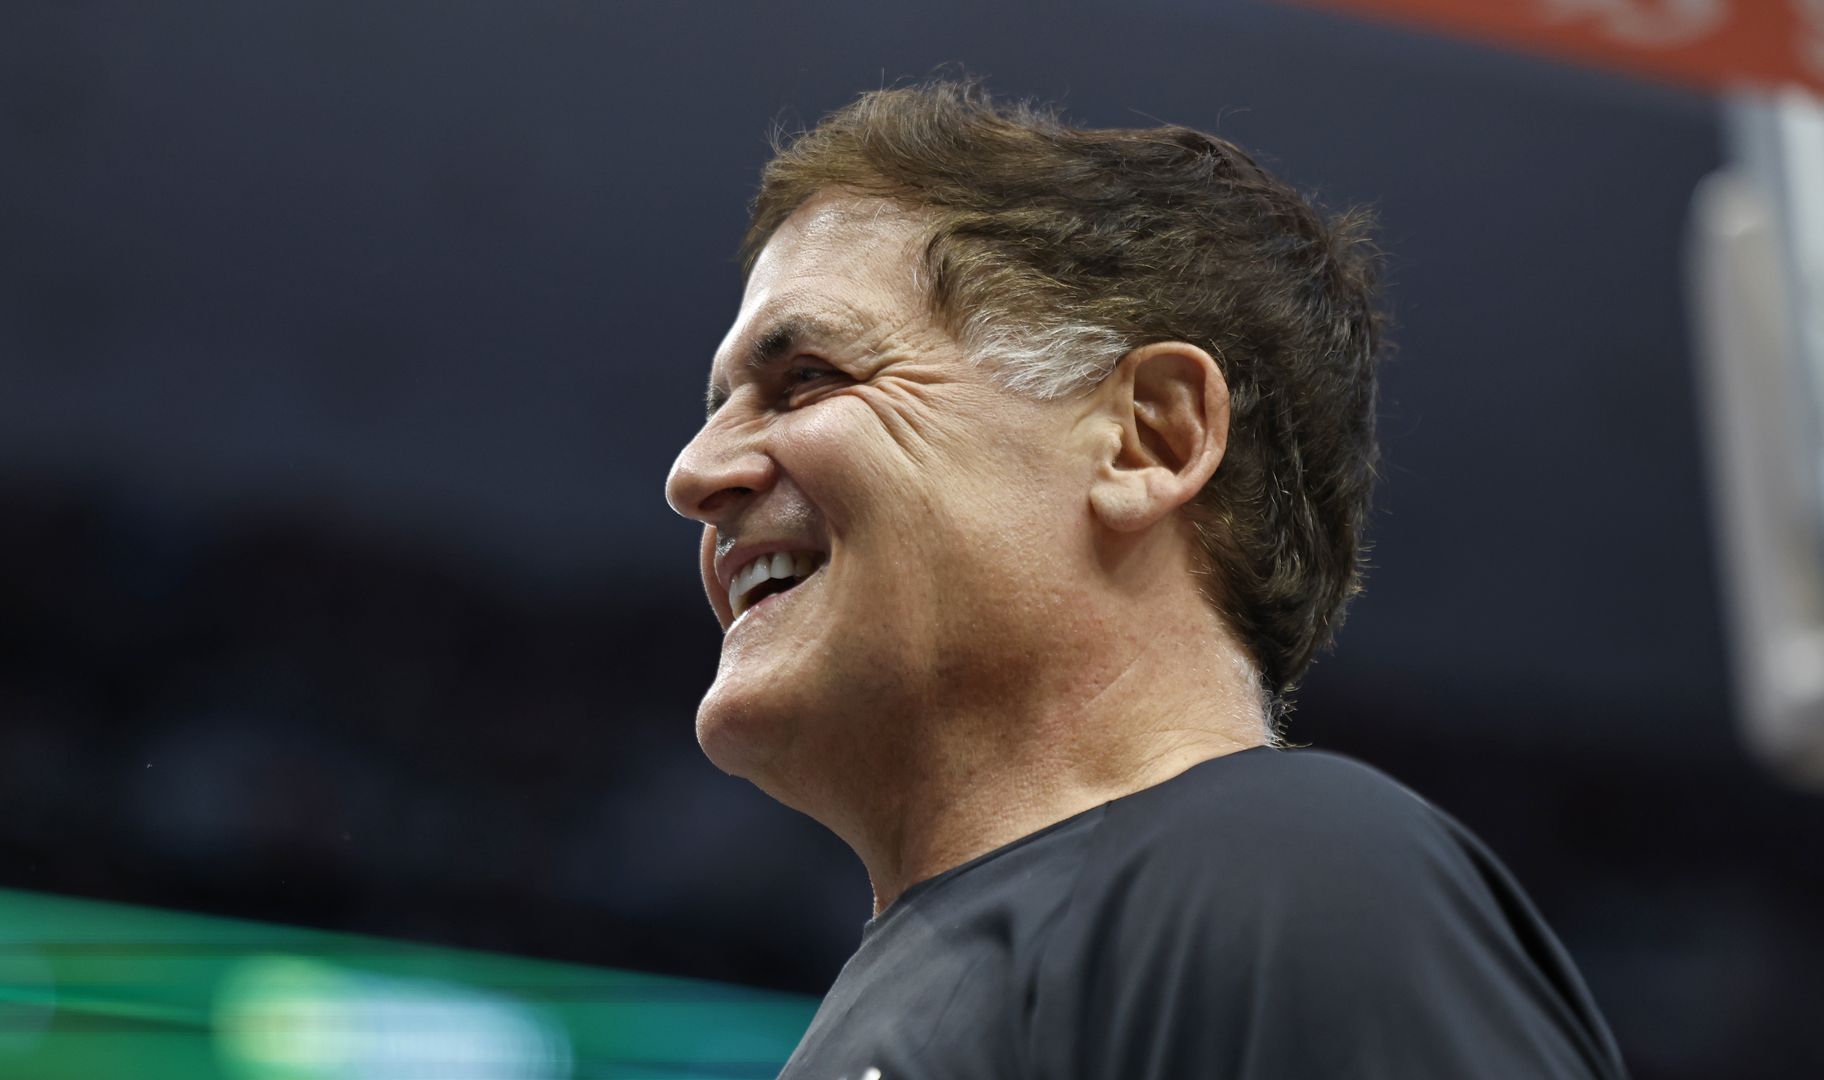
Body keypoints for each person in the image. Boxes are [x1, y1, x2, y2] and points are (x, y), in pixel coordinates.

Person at [664, 80, 1625, 1079]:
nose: (693, 473)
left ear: (1148, 439)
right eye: (719, 406)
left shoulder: (1290, 876)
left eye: (808, 378)